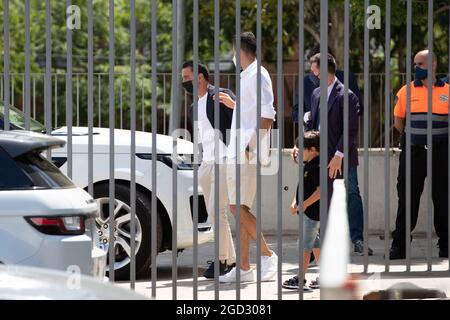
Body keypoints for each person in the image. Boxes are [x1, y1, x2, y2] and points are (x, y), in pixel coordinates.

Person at [217, 32, 278, 283]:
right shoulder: (247, 76)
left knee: (235, 207)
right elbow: (252, 111)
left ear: (239, 50)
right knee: (240, 208)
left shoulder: (258, 74)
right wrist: (235, 104)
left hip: (246, 152)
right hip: (238, 151)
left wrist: (251, 148)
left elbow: (268, 115)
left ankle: (268, 255)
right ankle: (243, 268)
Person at [302, 53, 373, 256]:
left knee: (350, 194)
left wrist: (338, 155)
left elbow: (350, 129)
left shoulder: (347, 95)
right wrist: (302, 145)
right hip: (320, 156)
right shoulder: (316, 93)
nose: (314, 75)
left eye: (316, 71)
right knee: (322, 197)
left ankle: (357, 239)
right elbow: (311, 123)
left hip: (342, 157)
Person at [390, 49, 449, 259]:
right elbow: (398, 121)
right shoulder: (406, 91)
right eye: (415, 64)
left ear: (433, 65)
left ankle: (446, 245)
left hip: (441, 154)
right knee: (407, 199)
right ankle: (399, 246)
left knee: (442, 199)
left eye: (420, 64)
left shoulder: (447, 91)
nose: (416, 68)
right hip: (413, 153)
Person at [182, 60, 236, 278]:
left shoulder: (220, 95)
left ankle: (223, 261)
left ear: (200, 77)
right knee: (214, 214)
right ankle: (229, 259)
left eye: (186, 78)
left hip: (224, 159)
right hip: (207, 162)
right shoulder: (195, 106)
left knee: (216, 211)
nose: (184, 82)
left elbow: (241, 118)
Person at [283, 131, 321, 292]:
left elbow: (320, 191)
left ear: (312, 149)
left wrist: (303, 204)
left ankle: (300, 278)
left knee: (304, 247)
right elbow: (302, 188)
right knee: (315, 244)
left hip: (312, 213)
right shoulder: (309, 165)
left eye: (302, 148)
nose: (298, 151)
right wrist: (295, 202)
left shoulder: (317, 166)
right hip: (307, 212)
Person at [292, 44, 363, 121]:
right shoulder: (305, 83)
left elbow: (359, 109)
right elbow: (295, 113)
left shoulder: (347, 78)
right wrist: (309, 115)